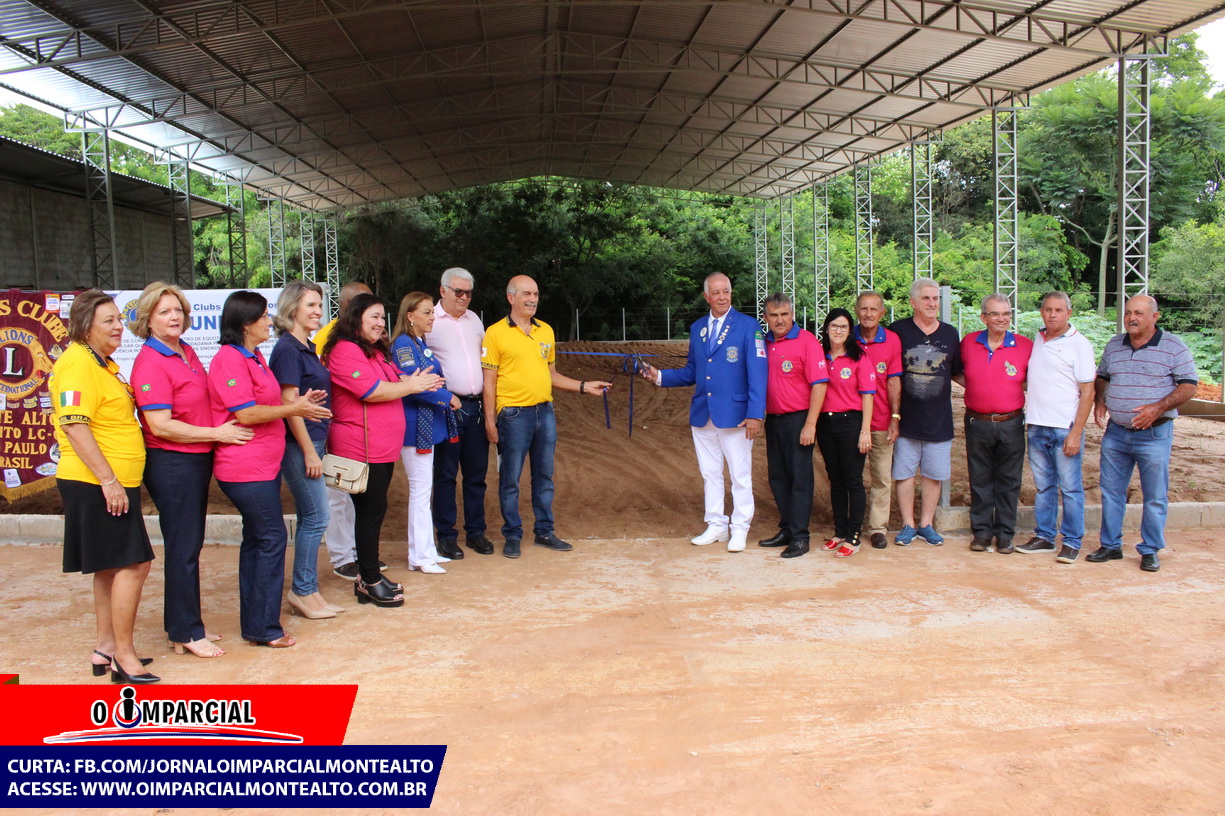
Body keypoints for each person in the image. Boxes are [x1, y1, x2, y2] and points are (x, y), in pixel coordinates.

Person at [130, 282, 252, 659]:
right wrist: (217, 433)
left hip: (194, 459)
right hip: (172, 462)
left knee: (189, 544)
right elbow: (160, 425)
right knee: (183, 546)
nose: (174, 317)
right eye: (164, 312)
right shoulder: (150, 361)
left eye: (178, 311)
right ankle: (186, 630)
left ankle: (184, 625)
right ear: (148, 320)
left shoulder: (185, 350)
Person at [208, 291, 331, 647]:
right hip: (245, 467)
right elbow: (246, 413)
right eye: (263, 316)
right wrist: (294, 409)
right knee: (272, 538)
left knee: (259, 539)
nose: (269, 321)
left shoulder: (255, 355)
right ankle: (265, 628)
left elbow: (273, 400)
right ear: (246, 324)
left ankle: (256, 623)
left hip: (263, 464)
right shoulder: (230, 359)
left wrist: (299, 403)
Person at [52, 290, 159, 684]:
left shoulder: (102, 363)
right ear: (85, 327)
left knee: (111, 566)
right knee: (135, 563)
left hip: (111, 481)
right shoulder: (77, 364)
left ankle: (105, 647)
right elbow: (74, 425)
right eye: (109, 321)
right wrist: (109, 481)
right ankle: (123, 658)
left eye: (118, 319)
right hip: (96, 482)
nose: (119, 327)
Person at [322, 293, 443, 604]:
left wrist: (415, 380)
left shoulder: (374, 350)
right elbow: (371, 390)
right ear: (356, 318)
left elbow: (395, 378)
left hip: (380, 447)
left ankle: (370, 573)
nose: (380, 323)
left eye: (381, 317)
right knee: (369, 513)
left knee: (373, 512)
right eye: (373, 317)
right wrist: (412, 386)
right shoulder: (345, 350)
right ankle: (369, 579)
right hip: (360, 447)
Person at [481, 275, 610, 559]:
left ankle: (544, 532)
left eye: (536, 294)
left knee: (544, 477)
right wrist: (490, 421)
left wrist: (584, 386)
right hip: (513, 415)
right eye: (526, 294)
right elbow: (489, 382)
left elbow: (551, 375)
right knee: (510, 479)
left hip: (545, 412)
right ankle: (512, 534)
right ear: (511, 298)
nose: (533, 299)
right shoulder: (495, 333)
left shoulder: (545, 331)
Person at [639, 273, 767, 553]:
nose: (722, 297)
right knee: (710, 473)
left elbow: (758, 373)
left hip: (736, 414)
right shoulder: (698, 328)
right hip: (703, 412)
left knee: (740, 474)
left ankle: (740, 527)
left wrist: (756, 414)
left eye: (726, 291)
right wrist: (658, 376)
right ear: (706, 296)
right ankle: (717, 524)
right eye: (716, 292)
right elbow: (692, 372)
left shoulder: (748, 326)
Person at [1088, 295, 1197, 572]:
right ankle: (1110, 545)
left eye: (1138, 313)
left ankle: (1150, 549)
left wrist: (1158, 408)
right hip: (1116, 433)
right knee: (1111, 491)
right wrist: (1100, 401)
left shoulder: (1173, 346)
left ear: (1155, 317)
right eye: (1127, 313)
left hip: (1154, 434)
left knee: (1154, 495)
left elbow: (1188, 385)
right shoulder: (1115, 344)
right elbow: (1103, 376)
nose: (1131, 318)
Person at [269, 280, 343, 619]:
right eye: (310, 305)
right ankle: (302, 590)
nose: (318, 311)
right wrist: (310, 453)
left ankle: (308, 590)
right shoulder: (287, 349)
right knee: (317, 517)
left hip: (313, 440)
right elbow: (290, 406)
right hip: (299, 444)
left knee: (310, 517)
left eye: (319, 305)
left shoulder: (305, 347)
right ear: (292, 308)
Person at [1016, 292, 1096, 563]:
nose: (1052, 314)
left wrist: (1076, 432)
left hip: (1064, 427)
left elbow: (1088, 392)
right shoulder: (1038, 339)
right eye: (1048, 309)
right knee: (1044, 487)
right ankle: (1045, 536)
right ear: (1041, 312)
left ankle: (1072, 541)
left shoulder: (1079, 345)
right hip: (1037, 425)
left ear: (1069, 313)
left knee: (1070, 488)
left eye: (1059, 310)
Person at [426, 267, 494, 557]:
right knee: (445, 475)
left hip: (475, 407)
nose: (464, 297)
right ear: (443, 291)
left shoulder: (474, 320)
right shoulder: (429, 320)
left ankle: (476, 532)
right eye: (458, 292)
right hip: (446, 408)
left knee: (476, 474)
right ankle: (446, 535)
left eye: (468, 292)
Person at [889, 278, 961, 547]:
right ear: (913, 302)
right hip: (905, 418)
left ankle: (926, 525)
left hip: (939, 419)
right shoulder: (897, 331)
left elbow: (958, 372)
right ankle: (907, 525)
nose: (932, 303)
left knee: (933, 474)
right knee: (904, 473)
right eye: (926, 298)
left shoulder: (950, 333)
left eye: (935, 298)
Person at [391, 292, 460, 575]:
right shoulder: (403, 344)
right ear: (410, 316)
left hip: (426, 423)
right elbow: (415, 385)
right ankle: (420, 555)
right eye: (427, 312)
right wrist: (447, 396)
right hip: (415, 425)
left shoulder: (419, 342)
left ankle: (425, 550)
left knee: (423, 490)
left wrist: (437, 386)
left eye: (432, 312)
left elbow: (430, 380)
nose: (433, 317)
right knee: (420, 491)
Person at [957, 294, 1032, 554]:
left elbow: (1033, 379)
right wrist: (979, 387)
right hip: (977, 421)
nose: (1002, 318)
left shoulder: (1025, 345)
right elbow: (957, 371)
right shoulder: (969, 342)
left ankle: (1005, 535)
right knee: (979, 479)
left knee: (1009, 480)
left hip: (1011, 422)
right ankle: (981, 533)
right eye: (995, 314)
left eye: (1006, 313)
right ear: (984, 318)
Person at [759, 293, 827, 558]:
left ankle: (800, 537)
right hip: (774, 420)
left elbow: (819, 384)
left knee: (800, 479)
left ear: (792, 315)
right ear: (765, 317)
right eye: (774, 315)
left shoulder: (807, 341)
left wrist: (810, 424)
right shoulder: (763, 342)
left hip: (799, 419)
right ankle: (787, 528)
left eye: (784, 314)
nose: (779, 320)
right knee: (778, 477)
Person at [315, 281, 372, 582]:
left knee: (354, 490)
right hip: (331, 422)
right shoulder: (329, 336)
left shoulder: (359, 337)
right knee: (337, 493)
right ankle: (341, 557)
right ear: (349, 305)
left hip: (354, 427)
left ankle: (356, 551)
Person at [815, 308, 876, 557]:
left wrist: (865, 431)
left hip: (851, 423)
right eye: (834, 326)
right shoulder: (819, 355)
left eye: (843, 327)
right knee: (836, 480)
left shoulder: (858, 357)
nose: (838, 331)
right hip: (825, 424)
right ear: (826, 328)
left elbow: (868, 396)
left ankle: (854, 535)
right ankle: (839, 531)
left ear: (850, 331)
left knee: (853, 480)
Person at [854, 291, 903, 550]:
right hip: (851, 421)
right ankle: (849, 525)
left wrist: (895, 418)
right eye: (864, 308)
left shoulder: (892, 340)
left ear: (882, 313)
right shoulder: (846, 336)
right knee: (851, 477)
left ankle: (877, 529)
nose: (868, 314)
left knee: (881, 478)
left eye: (874, 309)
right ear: (856, 310)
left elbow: (894, 382)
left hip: (882, 420)